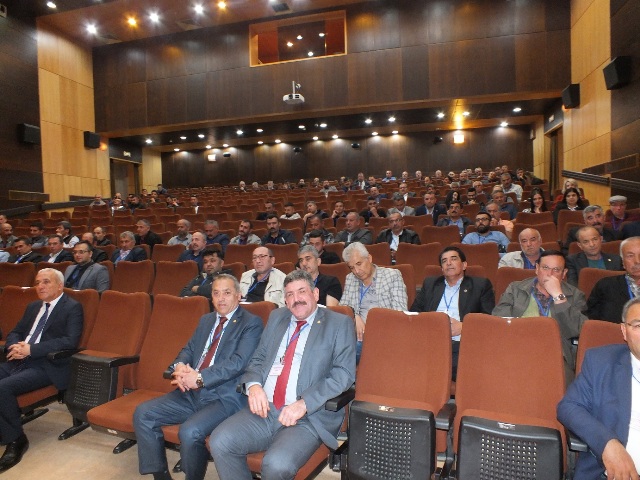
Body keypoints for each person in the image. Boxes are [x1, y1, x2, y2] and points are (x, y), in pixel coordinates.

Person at [210, 270, 356, 480]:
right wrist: (253, 385)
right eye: (289, 294)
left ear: (315, 294)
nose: (296, 299)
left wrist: (304, 403)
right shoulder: (277, 317)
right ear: (285, 300)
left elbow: (343, 374)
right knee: (220, 441)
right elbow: (258, 359)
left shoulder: (339, 323)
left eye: (301, 291)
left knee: (276, 464)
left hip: (307, 417)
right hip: (265, 409)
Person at [133, 274, 263, 480]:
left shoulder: (251, 323)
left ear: (238, 295)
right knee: (143, 414)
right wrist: (180, 366)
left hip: (222, 398)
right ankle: (160, 475)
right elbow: (189, 349)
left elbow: (238, 362)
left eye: (227, 293)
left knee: (189, 432)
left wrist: (200, 378)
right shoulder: (206, 320)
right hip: (190, 393)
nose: (221, 298)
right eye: (216, 293)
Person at [0, 269, 83, 472]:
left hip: (46, 365)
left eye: (46, 282)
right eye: (37, 282)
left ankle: (16, 440)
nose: (40, 286)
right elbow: (16, 332)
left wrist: (31, 349)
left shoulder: (72, 307)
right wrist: (14, 346)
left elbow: (70, 341)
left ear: (60, 286)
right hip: (19, 360)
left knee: (3, 388)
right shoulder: (33, 306)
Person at [557, 297, 640, 480]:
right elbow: (569, 407)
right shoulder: (602, 362)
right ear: (624, 331)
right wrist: (607, 444)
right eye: (638, 326)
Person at [493, 250, 587, 382]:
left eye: (556, 270)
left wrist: (558, 296)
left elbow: (576, 330)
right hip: (517, 348)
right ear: (537, 269)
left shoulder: (575, 296)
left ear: (564, 273)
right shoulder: (515, 289)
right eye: (545, 268)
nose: (550, 274)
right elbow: (499, 321)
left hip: (556, 353)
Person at [411, 246, 494, 379]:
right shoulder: (430, 284)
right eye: (444, 261)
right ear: (441, 269)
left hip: (461, 343)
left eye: (453, 259)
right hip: (430, 340)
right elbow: (414, 313)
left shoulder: (480, 285)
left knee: (450, 365)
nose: (448, 263)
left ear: (464, 265)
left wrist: (464, 327)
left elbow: (490, 320)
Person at [339, 242, 407, 363]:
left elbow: (400, 311)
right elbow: (342, 309)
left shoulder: (392, 276)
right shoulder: (350, 279)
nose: (357, 271)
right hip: (355, 336)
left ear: (369, 258)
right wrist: (354, 316)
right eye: (352, 267)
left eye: (359, 264)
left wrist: (373, 327)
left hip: (383, 334)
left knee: (340, 354)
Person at [587, 237, 640, 324]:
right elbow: (591, 322)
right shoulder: (605, 287)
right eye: (630, 256)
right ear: (623, 262)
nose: (637, 261)